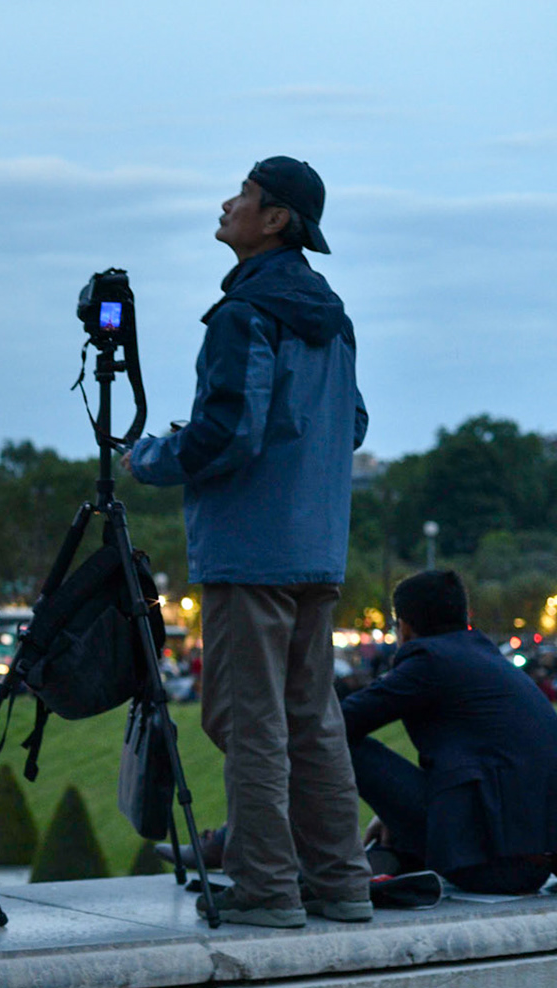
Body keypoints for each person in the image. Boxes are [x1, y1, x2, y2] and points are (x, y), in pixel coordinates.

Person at [125, 156, 370, 929]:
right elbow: (353, 424)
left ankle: (268, 887)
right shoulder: (330, 313)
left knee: (248, 722)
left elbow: (229, 432)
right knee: (314, 720)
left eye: (245, 195)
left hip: (249, 551)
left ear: (274, 221)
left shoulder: (244, 313)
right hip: (317, 546)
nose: (228, 203)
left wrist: (150, 458)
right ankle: (340, 884)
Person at [343, 570, 557, 895]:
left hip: (488, 864)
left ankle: (323, 856)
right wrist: (393, 812)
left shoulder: (429, 661)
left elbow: (338, 723)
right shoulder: (484, 657)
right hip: (533, 863)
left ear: (404, 626)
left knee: (335, 743)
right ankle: (398, 854)